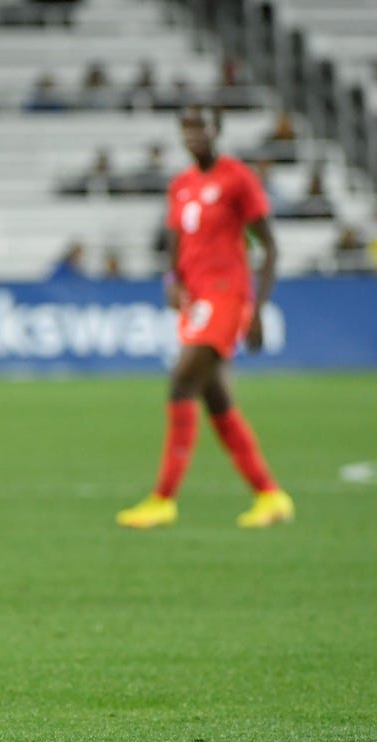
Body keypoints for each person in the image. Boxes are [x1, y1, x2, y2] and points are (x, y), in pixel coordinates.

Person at [117, 105, 294, 530]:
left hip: (227, 295)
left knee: (181, 381)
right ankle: (270, 495)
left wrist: (258, 308)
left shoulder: (238, 179)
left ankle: (163, 498)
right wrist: (172, 281)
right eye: (187, 127)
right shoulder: (180, 185)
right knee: (216, 401)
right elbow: (176, 244)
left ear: (218, 130)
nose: (193, 134)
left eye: (201, 127)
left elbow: (268, 247)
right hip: (196, 299)